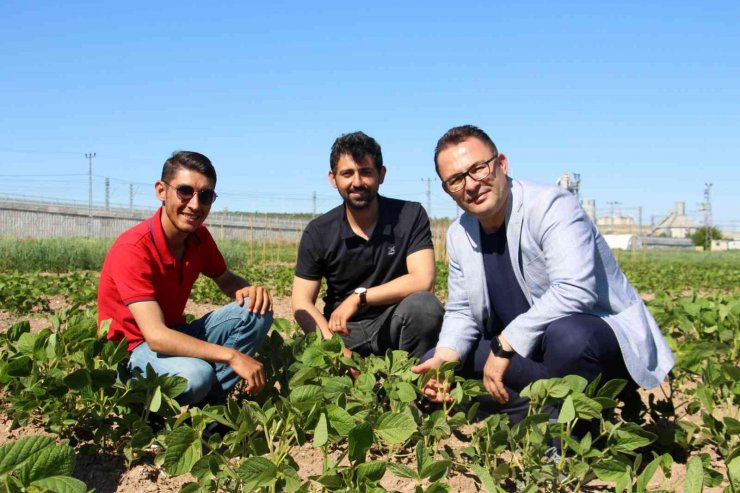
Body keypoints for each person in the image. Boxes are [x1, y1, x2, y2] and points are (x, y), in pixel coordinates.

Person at [412, 125, 674, 423]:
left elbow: (575, 290)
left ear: (501, 164)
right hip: (529, 353)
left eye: (478, 169)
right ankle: (543, 411)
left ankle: (573, 430)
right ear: (447, 189)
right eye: (456, 180)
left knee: (568, 336)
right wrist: (445, 359)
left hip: (594, 345)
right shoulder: (460, 232)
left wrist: (505, 343)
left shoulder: (551, 205)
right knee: (435, 362)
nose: (471, 185)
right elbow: (462, 310)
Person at [98, 151, 273, 406]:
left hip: (174, 332)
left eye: (205, 196)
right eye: (184, 191)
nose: (194, 204)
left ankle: (211, 404)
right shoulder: (133, 249)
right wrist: (232, 356)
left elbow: (226, 280)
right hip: (132, 351)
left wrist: (250, 289)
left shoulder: (199, 238)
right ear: (161, 191)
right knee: (196, 376)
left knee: (257, 310)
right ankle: (147, 405)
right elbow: (155, 336)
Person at [292, 131, 444, 360]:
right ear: (333, 179)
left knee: (425, 306)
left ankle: (414, 385)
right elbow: (301, 301)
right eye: (347, 174)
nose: (357, 182)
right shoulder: (319, 231)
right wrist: (334, 349)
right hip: (343, 331)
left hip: (393, 323)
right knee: (307, 360)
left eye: (366, 172)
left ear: (381, 175)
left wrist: (358, 298)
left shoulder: (409, 215)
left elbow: (423, 280)